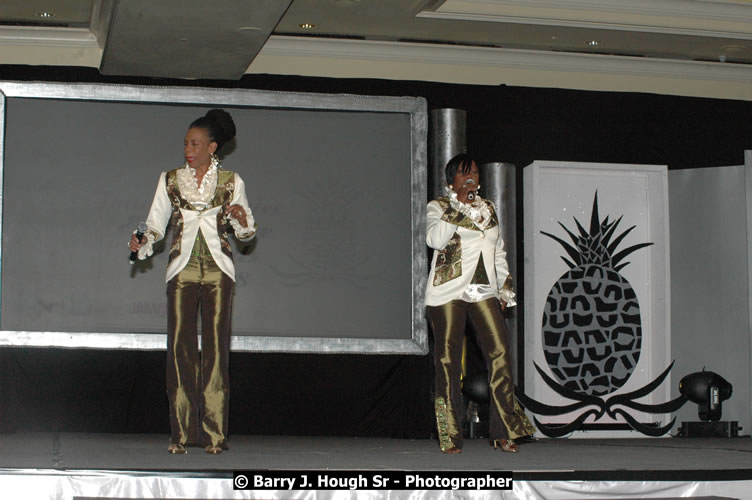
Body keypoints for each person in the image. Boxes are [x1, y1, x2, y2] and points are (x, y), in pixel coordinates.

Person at [129, 109, 256, 455]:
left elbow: (246, 231)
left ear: (212, 147)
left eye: (196, 143)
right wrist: (142, 238)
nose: (189, 148)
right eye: (186, 143)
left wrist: (242, 219)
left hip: (218, 270)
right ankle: (181, 435)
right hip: (182, 270)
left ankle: (215, 435)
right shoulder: (170, 180)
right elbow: (155, 222)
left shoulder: (232, 181)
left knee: (216, 352)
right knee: (180, 349)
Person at [425, 153, 534, 454]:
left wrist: (504, 290)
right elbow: (435, 240)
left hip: (483, 290)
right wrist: (458, 204)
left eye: (474, 172)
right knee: (447, 363)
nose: (470, 177)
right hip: (448, 292)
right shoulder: (439, 206)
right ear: (451, 181)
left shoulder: (488, 208)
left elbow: (497, 250)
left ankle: (503, 431)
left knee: (500, 354)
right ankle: (449, 435)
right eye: (463, 173)